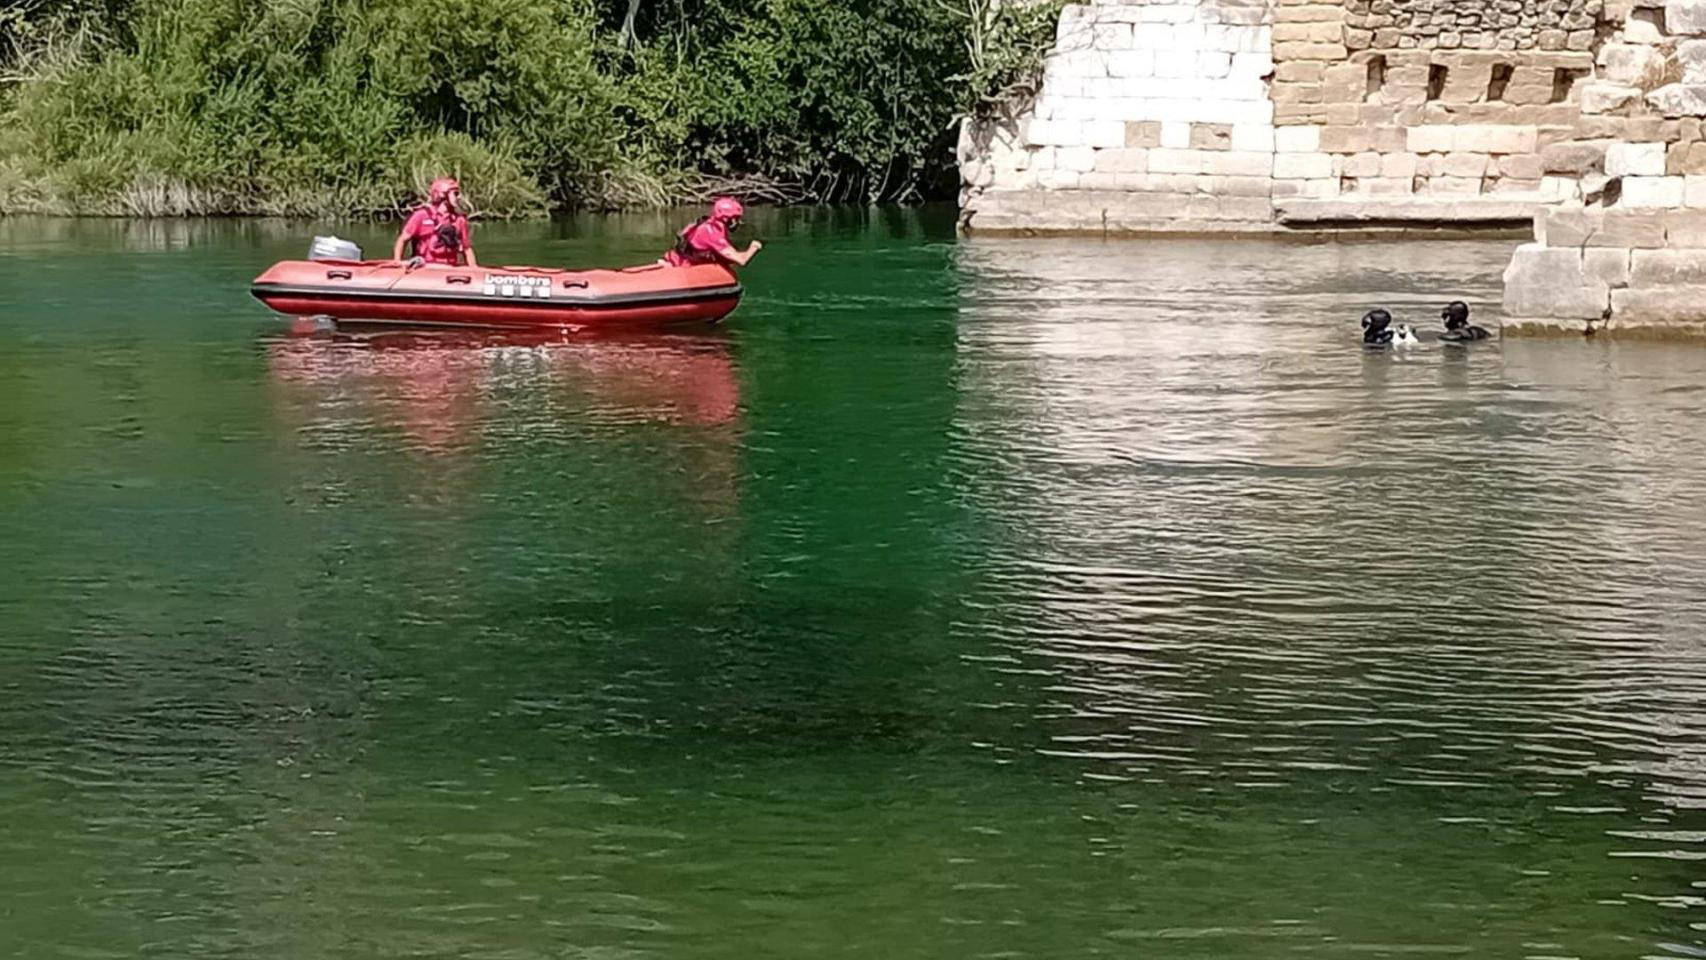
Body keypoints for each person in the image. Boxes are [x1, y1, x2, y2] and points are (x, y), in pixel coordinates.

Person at [393, 177, 478, 268]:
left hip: (449, 267)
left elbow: (467, 248)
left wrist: (474, 269)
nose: (458, 197)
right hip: (425, 267)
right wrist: (398, 261)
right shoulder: (421, 216)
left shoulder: (459, 220)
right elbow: (403, 239)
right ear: (442, 195)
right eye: (455, 194)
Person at [664, 197, 761, 268]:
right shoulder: (712, 233)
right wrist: (754, 247)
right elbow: (741, 260)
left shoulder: (709, 224)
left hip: (678, 261)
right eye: (736, 218)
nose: (738, 222)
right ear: (727, 219)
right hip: (679, 266)